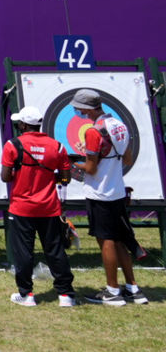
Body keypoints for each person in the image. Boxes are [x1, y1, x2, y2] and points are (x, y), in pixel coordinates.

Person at [70, 89, 148, 305]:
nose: (78, 111)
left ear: (86, 109)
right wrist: (93, 154)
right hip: (117, 191)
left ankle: (113, 291)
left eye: (79, 108)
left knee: (106, 241)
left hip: (100, 194)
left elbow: (91, 169)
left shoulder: (94, 131)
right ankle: (133, 288)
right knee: (121, 239)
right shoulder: (119, 124)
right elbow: (128, 158)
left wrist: (72, 163)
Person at [0, 105, 77, 307]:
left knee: (24, 252)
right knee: (55, 250)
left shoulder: (12, 145)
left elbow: (5, 177)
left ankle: (27, 295)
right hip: (49, 207)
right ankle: (66, 295)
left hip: (22, 208)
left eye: (19, 123)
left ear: (24, 124)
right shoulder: (57, 146)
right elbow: (66, 178)